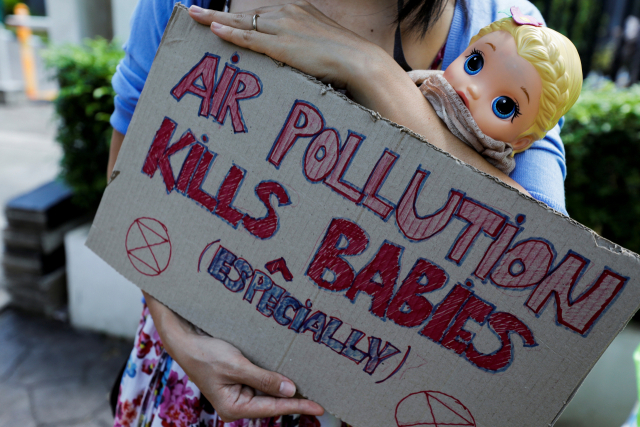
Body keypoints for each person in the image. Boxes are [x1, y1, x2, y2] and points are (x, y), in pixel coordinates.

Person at [107, 1, 570, 426]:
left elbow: (538, 254)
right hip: (190, 373)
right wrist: (176, 334)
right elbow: (131, 168)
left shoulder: (504, 26)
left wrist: (371, 70)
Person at [408, 10, 582, 174]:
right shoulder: (432, 83)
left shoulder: (491, 165)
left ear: (520, 141)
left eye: (503, 105)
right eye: (474, 63)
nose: (473, 89)